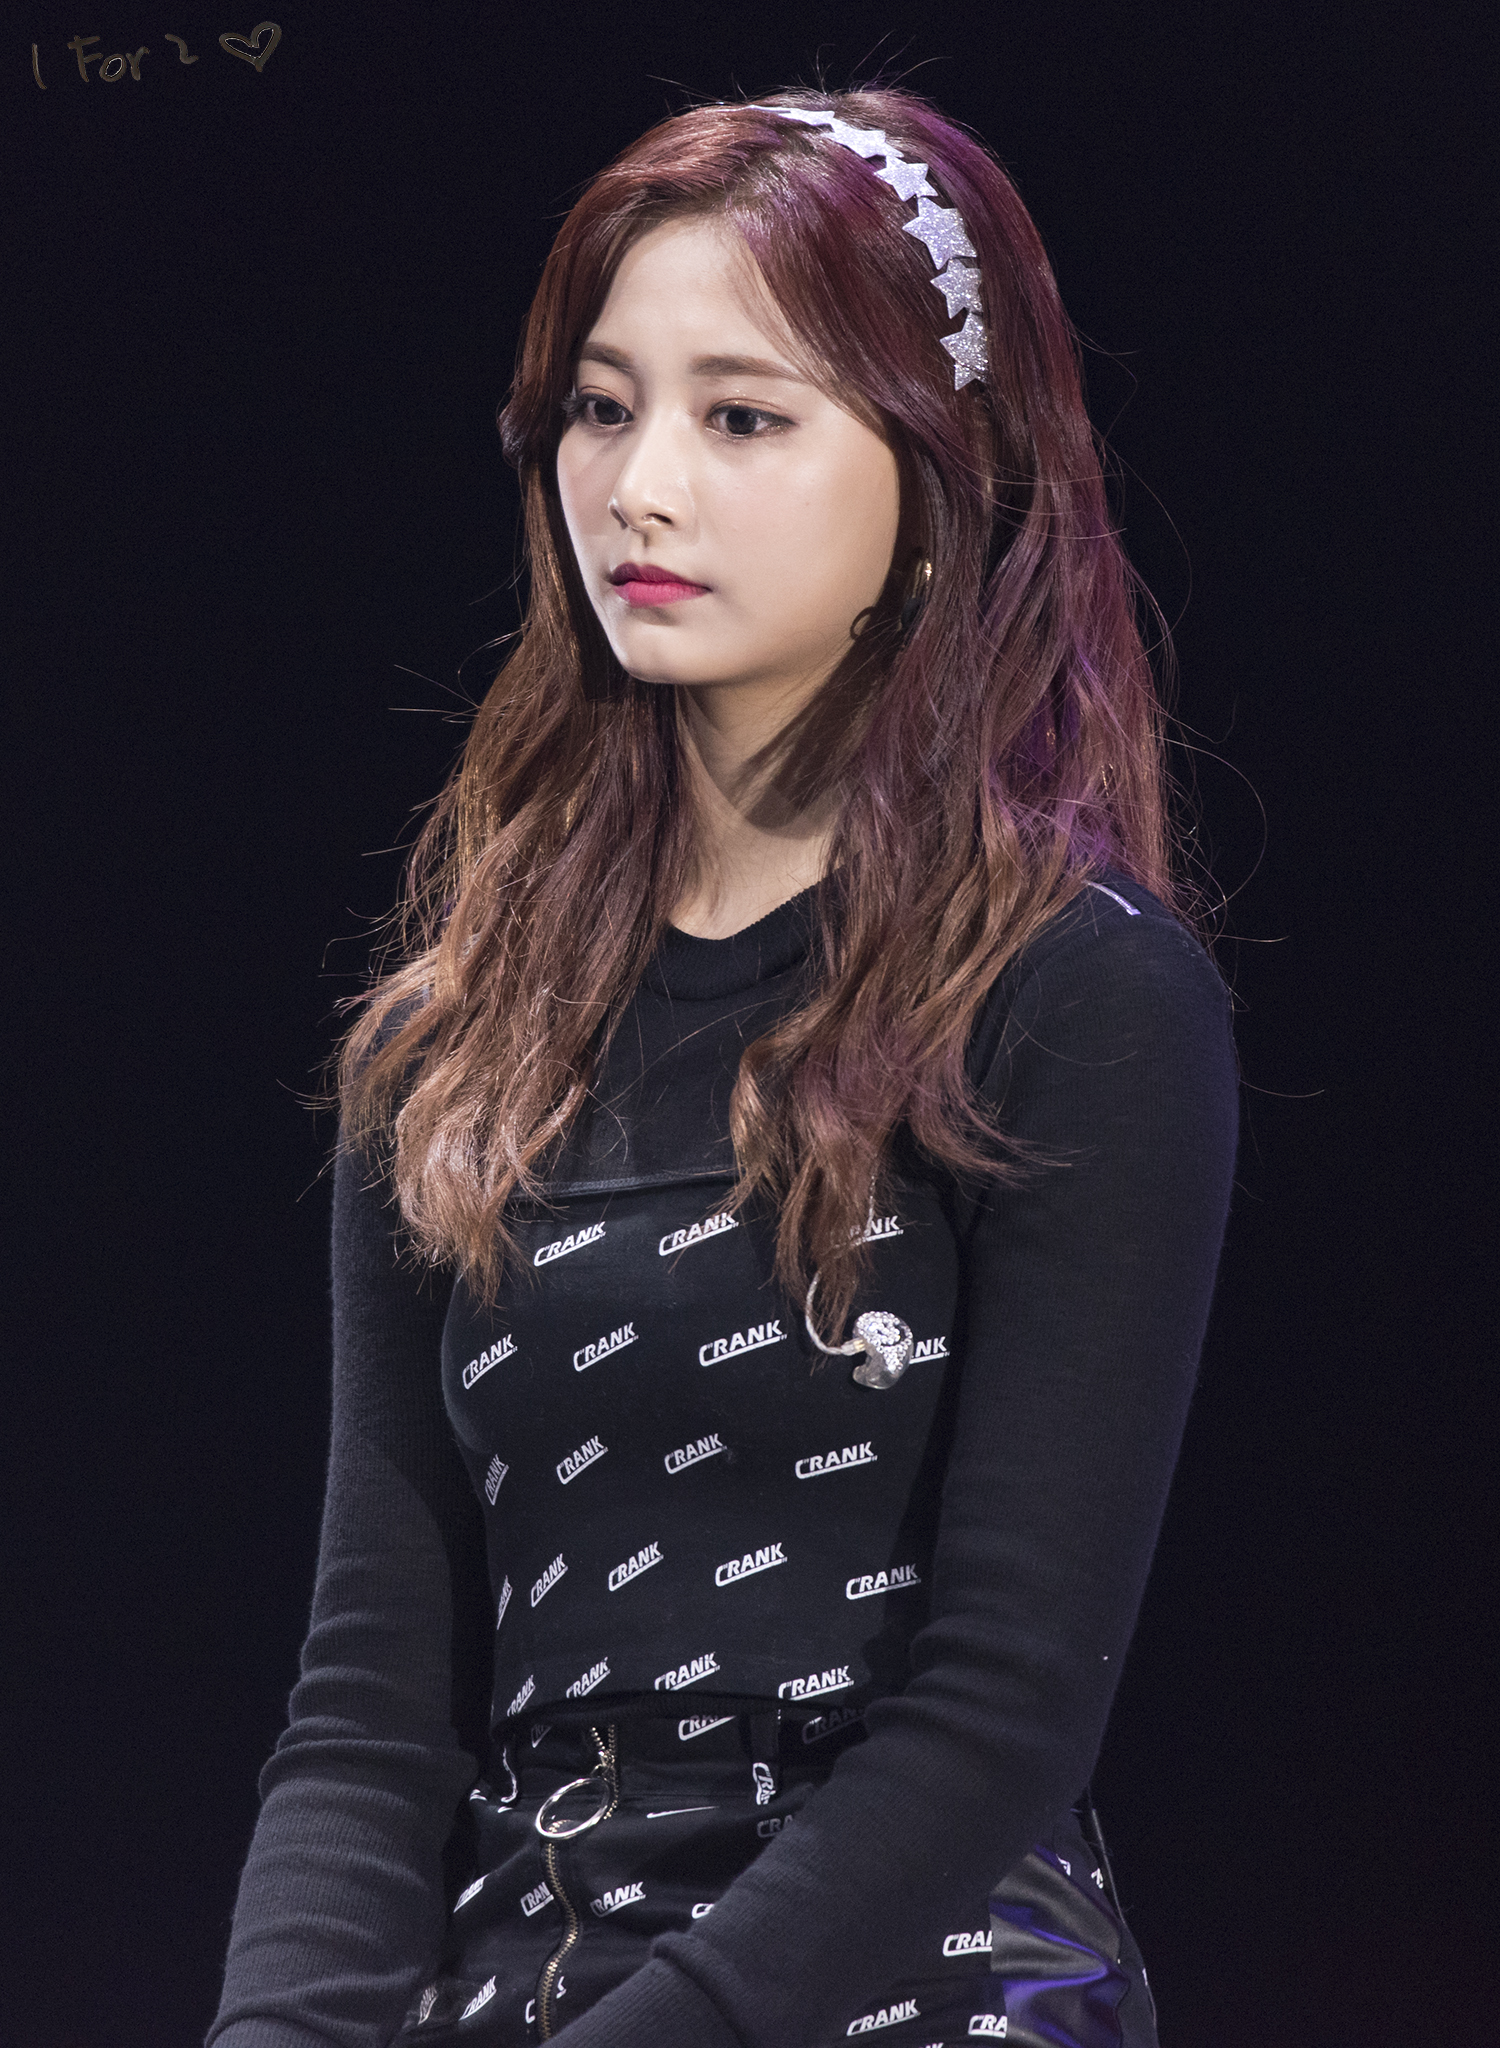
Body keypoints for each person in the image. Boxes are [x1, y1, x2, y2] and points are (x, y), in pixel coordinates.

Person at [208, 89, 1238, 2048]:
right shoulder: (452, 1045)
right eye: (600, 410)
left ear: (940, 472)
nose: (640, 487)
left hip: (907, 1987)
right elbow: (368, 1713)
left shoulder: (1076, 1002)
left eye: (743, 417)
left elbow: (1003, 1708)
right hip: (525, 1974)